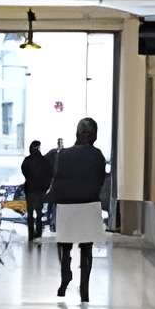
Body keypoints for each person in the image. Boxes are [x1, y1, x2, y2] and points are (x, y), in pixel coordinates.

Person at [50, 116, 108, 299]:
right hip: (89, 204)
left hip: (67, 205)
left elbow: (57, 178)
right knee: (86, 248)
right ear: (94, 135)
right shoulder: (97, 155)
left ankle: (65, 274)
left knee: (65, 245)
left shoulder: (63, 154)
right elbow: (100, 180)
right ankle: (85, 289)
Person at [20, 139, 54, 243]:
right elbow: (49, 174)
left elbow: (24, 170)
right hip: (40, 190)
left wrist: (29, 179)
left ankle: (31, 234)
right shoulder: (44, 161)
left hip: (30, 189)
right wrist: (45, 187)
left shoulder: (27, 160)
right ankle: (38, 233)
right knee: (39, 213)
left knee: (30, 213)